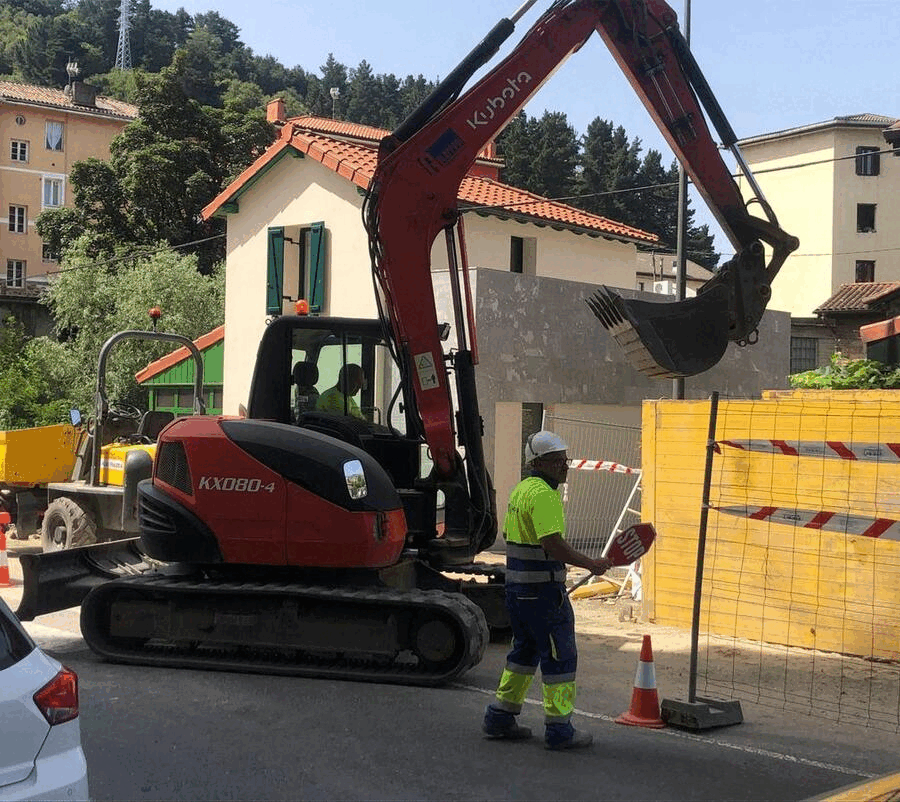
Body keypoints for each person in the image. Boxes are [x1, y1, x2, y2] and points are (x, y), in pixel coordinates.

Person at [482, 430, 612, 751]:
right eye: (556, 461)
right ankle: (559, 729)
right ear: (538, 463)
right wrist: (590, 563)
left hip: (517, 592)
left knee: (523, 655)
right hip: (544, 595)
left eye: (564, 459)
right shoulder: (545, 496)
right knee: (560, 659)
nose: (563, 466)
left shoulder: (521, 490)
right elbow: (552, 544)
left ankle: (499, 717)